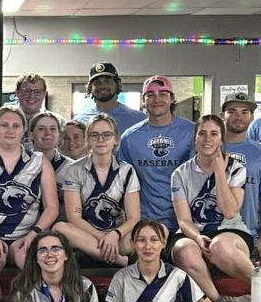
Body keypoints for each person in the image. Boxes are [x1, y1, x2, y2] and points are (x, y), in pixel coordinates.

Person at [0, 105, 58, 297]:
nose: (10, 130)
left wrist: (34, 233)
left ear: (24, 129)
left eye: (16, 125)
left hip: (26, 234)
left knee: (37, 265)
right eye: (4, 125)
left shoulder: (39, 162)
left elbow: (52, 207)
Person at [170, 115, 256, 302]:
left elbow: (230, 210)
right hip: (194, 230)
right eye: (202, 133)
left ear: (222, 140)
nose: (207, 139)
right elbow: (183, 219)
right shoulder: (180, 174)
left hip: (229, 230)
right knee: (184, 250)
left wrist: (219, 172)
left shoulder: (236, 168)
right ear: (195, 139)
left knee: (219, 246)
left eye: (214, 134)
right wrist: (197, 237)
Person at [55, 113, 140, 266]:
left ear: (116, 139)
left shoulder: (127, 170)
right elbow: (74, 218)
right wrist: (103, 238)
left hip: (118, 235)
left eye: (106, 135)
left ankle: (99, 253)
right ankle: (117, 259)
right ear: (88, 140)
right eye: (95, 135)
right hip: (87, 235)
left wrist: (114, 235)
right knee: (60, 228)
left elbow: (134, 217)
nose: (100, 140)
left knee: (140, 237)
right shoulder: (74, 170)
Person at [118, 75, 195, 233]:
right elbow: (124, 182)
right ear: (143, 101)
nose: (156, 99)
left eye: (163, 94)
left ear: (172, 99)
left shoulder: (192, 132)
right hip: (145, 221)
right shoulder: (130, 137)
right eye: (150, 95)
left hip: (186, 220)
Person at [221, 92, 261, 258]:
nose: (238, 117)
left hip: (249, 236)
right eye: (232, 111)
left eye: (244, 112)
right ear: (223, 116)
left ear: (252, 117)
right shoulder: (206, 149)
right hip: (212, 233)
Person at [77, 62, 144, 133]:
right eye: (97, 82)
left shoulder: (138, 119)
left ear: (117, 84)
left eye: (107, 81)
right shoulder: (80, 121)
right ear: (90, 87)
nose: (102, 86)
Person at [29, 111, 69, 177]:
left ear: (59, 135)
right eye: (41, 129)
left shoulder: (71, 167)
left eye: (53, 129)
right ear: (31, 135)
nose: (48, 133)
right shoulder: (20, 164)